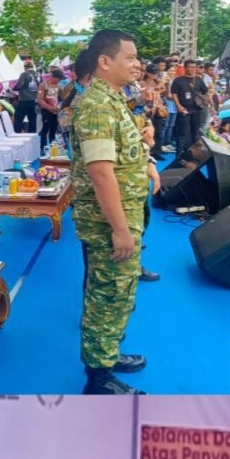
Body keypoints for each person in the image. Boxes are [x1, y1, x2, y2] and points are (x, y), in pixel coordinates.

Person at [72, 31, 155, 396]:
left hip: (125, 215)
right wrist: (120, 230)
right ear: (105, 62)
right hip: (109, 223)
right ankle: (99, 378)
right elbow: (101, 172)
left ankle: (107, 352)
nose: (138, 64)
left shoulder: (114, 99)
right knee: (106, 297)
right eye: (130, 57)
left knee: (118, 293)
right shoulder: (98, 106)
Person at [12, 58, 40, 133]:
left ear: (25, 67)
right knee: (32, 120)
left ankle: (17, 134)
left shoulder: (24, 74)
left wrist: (13, 88)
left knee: (18, 119)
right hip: (35, 100)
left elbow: (20, 84)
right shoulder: (38, 75)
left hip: (24, 100)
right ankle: (32, 135)